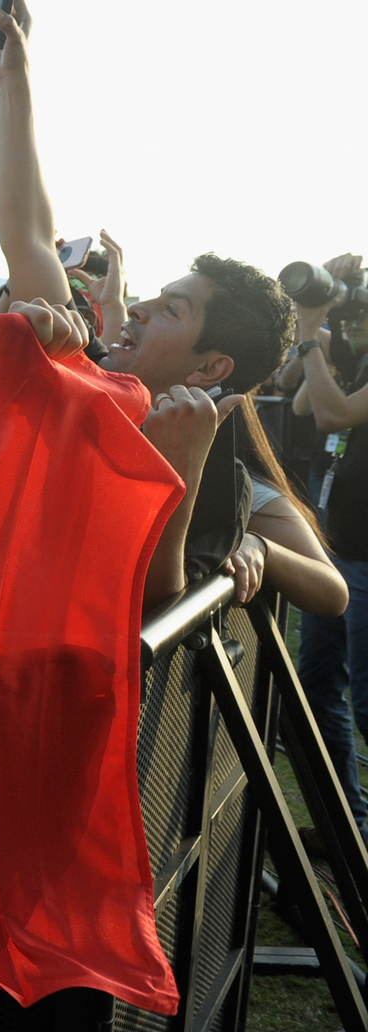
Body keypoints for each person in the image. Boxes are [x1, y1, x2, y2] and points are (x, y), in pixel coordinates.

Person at [0, 0, 294, 611]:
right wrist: (13, 80)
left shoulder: (219, 481)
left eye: (174, 310)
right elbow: (27, 233)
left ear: (210, 370)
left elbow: (159, 608)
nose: (138, 308)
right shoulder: (79, 367)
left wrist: (177, 476)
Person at [288, 253, 368, 836]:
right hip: (337, 546)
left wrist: (312, 335)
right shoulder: (355, 359)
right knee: (319, 684)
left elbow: (332, 416)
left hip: (366, 556)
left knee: (365, 701)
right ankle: (349, 829)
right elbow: (300, 403)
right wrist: (322, 339)